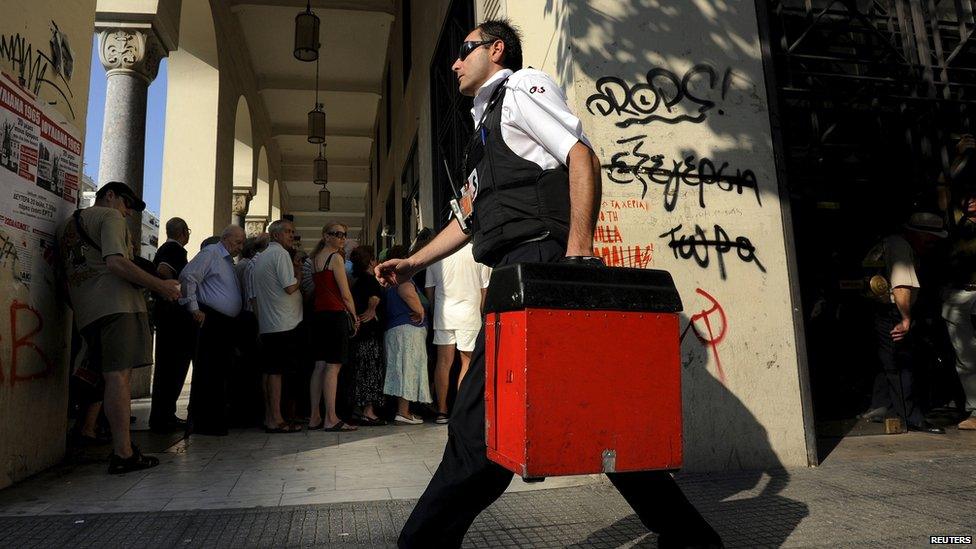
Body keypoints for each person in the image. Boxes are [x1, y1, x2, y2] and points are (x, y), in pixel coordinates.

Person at [375, 20, 724, 547]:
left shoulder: (521, 88)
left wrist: (578, 251)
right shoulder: (483, 126)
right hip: (517, 279)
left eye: (463, 51)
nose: (453, 62)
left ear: (496, 51)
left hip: (541, 271)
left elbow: (580, 154)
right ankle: (692, 538)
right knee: (597, 417)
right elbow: (468, 220)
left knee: (479, 427)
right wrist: (412, 263)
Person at [58, 181, 181, 473]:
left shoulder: (66, 226)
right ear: (109, 196)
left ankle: (93, 432)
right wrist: (161, 286)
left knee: (104, 377)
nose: (126, 213)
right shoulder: (108, 217)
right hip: (117, 306)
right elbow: (116, 263)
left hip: (88, 310)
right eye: (126, 204)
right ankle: (123, 453)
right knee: (118, 379)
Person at [863, 213, 948, 434]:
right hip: (892, 309)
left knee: (888, 359)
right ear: (917, 234)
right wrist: (906, 319)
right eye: (929, 238)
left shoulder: (891, 242)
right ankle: (911, 416)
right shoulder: (901, 247)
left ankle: (881, 406)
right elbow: (901, 287)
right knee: (901, 363)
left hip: (881, 308)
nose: (931, 244)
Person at [179, 225, 244, 436]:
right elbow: (188, 276)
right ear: (225, 239)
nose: (240, 247)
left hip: (224, 323)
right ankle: (205, 422)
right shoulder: (211, 253)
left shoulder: (226, 260)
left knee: (221, 371)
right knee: (209, 372)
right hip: (212, 320)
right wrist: (193, 307)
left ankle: (216, 419)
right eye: (237, 242)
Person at [425, 242, 491, 423]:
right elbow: (484, 289)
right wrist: (481, 312)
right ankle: (461, 409)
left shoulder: (436, 254)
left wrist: (434, 309)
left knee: (443, 362)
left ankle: (442, 410)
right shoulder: (478, 253)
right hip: (469, 313)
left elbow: (429, 289)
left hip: (443, 313)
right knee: (467, 362)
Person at [304, 223, 360, 431]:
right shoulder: (335, 258)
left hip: (318, 316)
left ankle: (314, 417)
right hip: (335, 315)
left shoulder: (315, 259)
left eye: (344, 235)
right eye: (337, 234)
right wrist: (354, 316)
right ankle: (331, 417)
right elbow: (345, 294)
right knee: (333, 367)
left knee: (319, 366)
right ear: (325, 236)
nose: (341, 238)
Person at [253, 219, 304, 433]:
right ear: (275, 235)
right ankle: (277, 419)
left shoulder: (262, 257)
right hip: (283, 323)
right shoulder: (280, 254)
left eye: (293, 231)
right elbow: (290, 287)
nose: (291, 235)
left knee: (270, 372)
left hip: (270, 323)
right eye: (287, 232)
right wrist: (299, 274)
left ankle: (270, 417)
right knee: (276, 373)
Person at [941, 135, 976, 430]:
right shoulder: (955, 220)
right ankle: (975, 410)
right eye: (967, 196)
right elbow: (945, 190)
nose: (971, 200)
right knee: (965, 359)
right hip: (959, 294)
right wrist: (959, 156)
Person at [149, 217, 194, 433]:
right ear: (183, 232)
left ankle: (164, 414)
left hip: (167, 317)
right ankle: (163, 416)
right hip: (172, 319)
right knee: (172, 368)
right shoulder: (173, 250)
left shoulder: (168, 249)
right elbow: (164, 273)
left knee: (170, 368)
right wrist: (174, 293)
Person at [382, 245, 431, 425]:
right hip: (408, 330)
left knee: (400, 369)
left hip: (396, 330)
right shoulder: (403, 281)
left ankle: (402, 411)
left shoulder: (388, 283)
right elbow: (407, 293)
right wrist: (420, 310)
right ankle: (403, 412)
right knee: (408, 369)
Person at [232, 233, 270, 426]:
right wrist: (261, 325)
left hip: (248, 319)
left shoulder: (247, 265)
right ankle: (252, 414)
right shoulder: (254, 265)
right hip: (251, 320)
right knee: (254, 368)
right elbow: (253, 298)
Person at [349, 245, 386, 425]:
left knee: (361, 371)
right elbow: (374, 298)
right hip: (369, 332)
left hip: (359, 333)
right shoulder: (370, 280)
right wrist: (372, 310)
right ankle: (368, 411)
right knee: (371, 370)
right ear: (371, 261)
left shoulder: (356, 281)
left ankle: (359, 409)